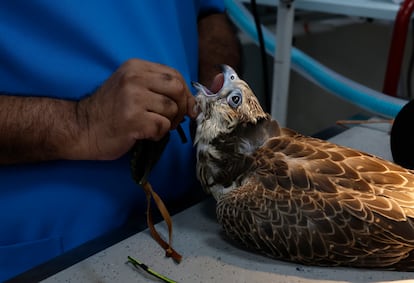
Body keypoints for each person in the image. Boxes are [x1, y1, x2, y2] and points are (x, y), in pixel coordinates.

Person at [0, 1, 241, 280]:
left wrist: (219, 99)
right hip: (51, 252)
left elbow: (208, 13)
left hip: (191, 224)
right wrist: (80, 122)